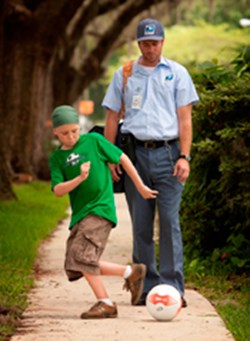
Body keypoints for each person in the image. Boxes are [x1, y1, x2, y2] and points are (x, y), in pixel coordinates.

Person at [102, 18, 199, 307]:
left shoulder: (177, 73)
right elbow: (111, 118)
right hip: (134, 156)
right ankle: (145, 288)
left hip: (170, 155)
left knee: (170, 222)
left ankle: (171, 289)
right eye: (145, 43)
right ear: (138, 44)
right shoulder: (125, 74)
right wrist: (110, 156)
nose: (150, 48)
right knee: (141, 225)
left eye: (154, 42)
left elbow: (185, 118)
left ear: (163, 42)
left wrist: (185, 156)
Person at [49, 105, 158, 319]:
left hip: (100, 209)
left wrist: (140, 186)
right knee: (74, 262)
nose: (71, 136)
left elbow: (122, 158)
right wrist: (79, 179)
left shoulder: (94, 141)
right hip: (80, 214)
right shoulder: (56, 158)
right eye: (65, 133)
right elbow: (58, 190)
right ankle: (130, 272)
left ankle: (106, 303)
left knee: (81, 256)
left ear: (79, 128)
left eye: (74, 130)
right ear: (55, 133)